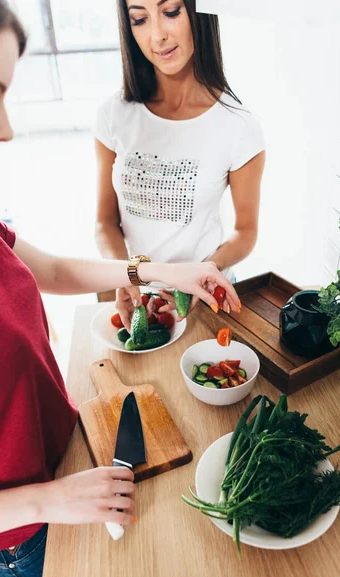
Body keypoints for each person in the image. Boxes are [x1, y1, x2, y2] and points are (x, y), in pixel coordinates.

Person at [0, 2, 240, 577]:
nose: (7, 129)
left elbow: (51, 267)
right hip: (22, 540)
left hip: (70, 463)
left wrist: (167, 270)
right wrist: (53, 499)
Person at [95, 0, 265, 330]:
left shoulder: (239, 126)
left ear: (199, 13)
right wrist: (126, 274)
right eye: (139, 19)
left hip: (206, 298)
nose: (157, 35)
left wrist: (202, 275)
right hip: (138, 297)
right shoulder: (114, 114)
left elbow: (246, 231)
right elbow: (104, 222)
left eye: (171, 12)